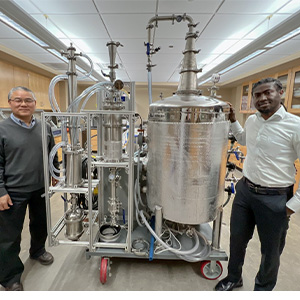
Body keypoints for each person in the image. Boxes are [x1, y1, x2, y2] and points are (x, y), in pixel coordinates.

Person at [215, 78, 300, 291]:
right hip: (245, 191)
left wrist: (293, 205)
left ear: (280, 92)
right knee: (236, 240)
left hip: (275, 198)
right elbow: (243, 139)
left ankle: (262, 290)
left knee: (270, 251)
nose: (262, 98)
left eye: (267, 93)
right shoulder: (253, 121)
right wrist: (234, 120)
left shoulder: (295, 126)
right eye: (257, 95)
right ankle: (234, 277)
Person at [0, 86, 59, 291]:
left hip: (40, 187)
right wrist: (1, 191)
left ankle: (37, 250)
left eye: (28, 100)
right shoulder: (2, 129)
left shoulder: (45, 127)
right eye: (18, 100)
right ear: (10, 103)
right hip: (13, 191)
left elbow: (53, 153)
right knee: (10, 236)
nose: (23, 104)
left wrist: (55, 174)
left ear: (34, 103)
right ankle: (10, 277)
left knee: (40, 223)